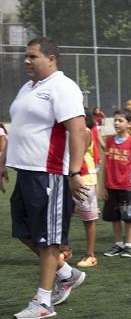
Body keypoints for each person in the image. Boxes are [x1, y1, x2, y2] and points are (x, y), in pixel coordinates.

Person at [0, 37, 87, 318]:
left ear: (51, 58)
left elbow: (78, 131)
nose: (26, 61)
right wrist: (2, 163)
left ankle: (43, 304)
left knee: (48, 240)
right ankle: (66, 273)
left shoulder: (63, 87)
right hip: (25, 173)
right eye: (26, 56)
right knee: (23, 231)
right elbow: (19, 129)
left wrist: (74, 172)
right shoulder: (28, 87)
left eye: (32, 56)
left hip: (49, 174)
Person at [102, 109, 131, 259]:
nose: (117, 123)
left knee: (128, 217)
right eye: (115, 120)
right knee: (115, 217)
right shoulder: (109, 140)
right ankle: (118, 244)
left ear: (129, 123)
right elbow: (106, 165)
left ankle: (128, 246)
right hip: (111, 186)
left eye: (120, 120)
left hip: (127, 187)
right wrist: (104, 186)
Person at [74, 109, 100, 268]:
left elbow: (77, 154)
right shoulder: (76, 131)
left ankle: (90, 255)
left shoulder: (84, 132)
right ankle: (66, 249)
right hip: (74, 178)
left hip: (84, 180)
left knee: (88, 219)